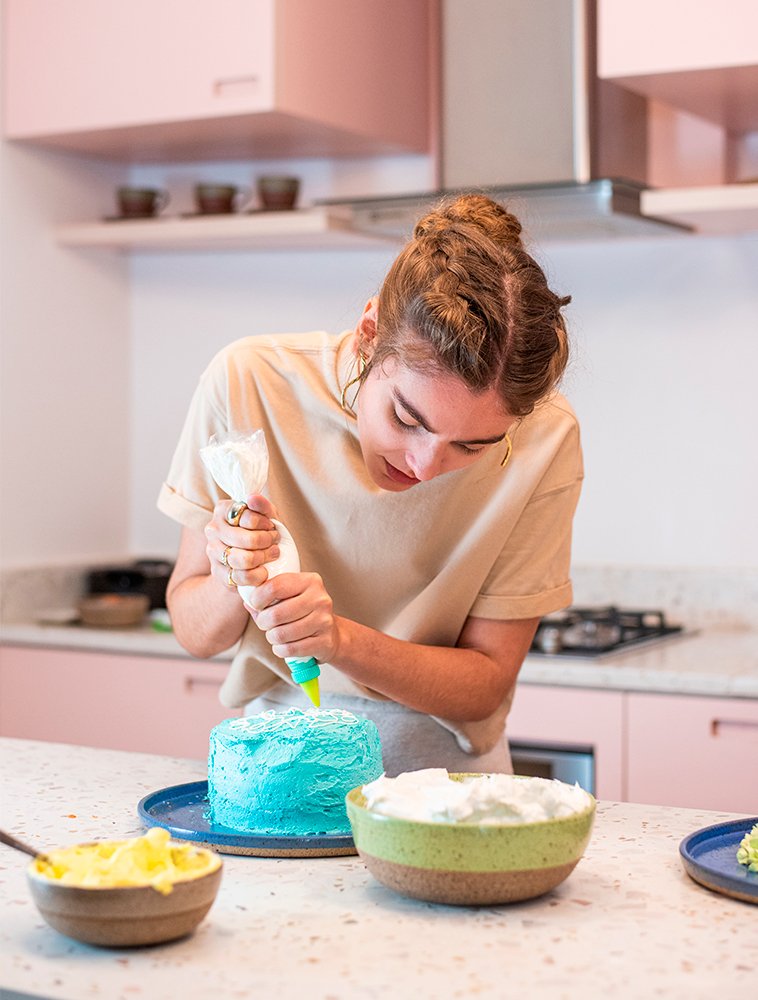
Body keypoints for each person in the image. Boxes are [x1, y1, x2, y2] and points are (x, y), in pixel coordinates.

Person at [158, 193, 582, 776]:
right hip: (275, 763)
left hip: (450, 783)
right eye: (408, 419)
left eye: (473, 447)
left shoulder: (546, 437)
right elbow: (194, 630)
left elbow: (484, 686)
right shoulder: (248, 381)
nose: (426, 465)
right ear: (368, 334)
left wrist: (338, 641)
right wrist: (236, 574)